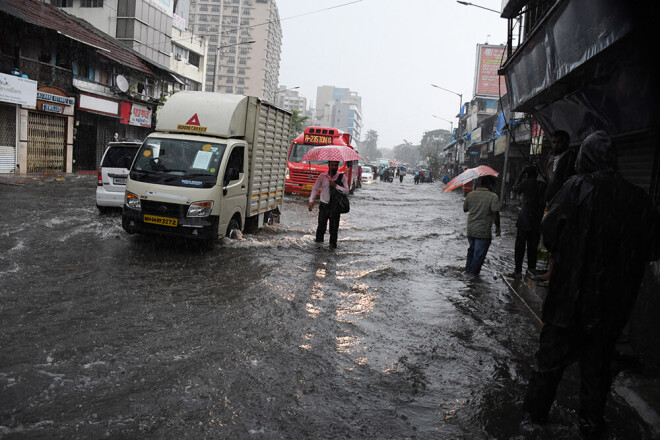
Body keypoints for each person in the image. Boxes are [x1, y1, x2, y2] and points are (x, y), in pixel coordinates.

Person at [522, 131, 660, 438]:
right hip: (611, 309)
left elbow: (549, 231)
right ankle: (590, 426)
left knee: (548, 366)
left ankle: (532, 422)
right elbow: (652, 249)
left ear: (584, 157)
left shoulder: (577, 186)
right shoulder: (640, 199)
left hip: (568, 303)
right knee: (596, 372)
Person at [507, 165, 546, 279]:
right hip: (537, 221)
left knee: (520, 247)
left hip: (524, 220)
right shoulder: (543, 185)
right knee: (533, 248)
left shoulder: (525, 183)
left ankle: (518, 271)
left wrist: (520, 175)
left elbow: (515, 188)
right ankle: (531, 272)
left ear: (526, 174)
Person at [463, 175, 501, 275]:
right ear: (489, 185)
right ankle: (472, 278)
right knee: (478, 256)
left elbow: (465, 209)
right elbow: (495, 214)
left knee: (471, 252)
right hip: (483, 231)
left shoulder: (470, 194)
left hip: (470, 230)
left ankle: (468, 273)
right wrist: (498, 227)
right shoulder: (493, 196)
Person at [308, 161, 349, 249]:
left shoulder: (342, 177)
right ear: (328, 165)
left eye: (336, 165)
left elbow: (346, 191)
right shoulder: (322, 177)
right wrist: (311, 200)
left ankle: (332, 249)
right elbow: (315, 189)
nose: (334, 167)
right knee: (321, 229)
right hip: (324, 206)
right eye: (333, 165)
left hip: (335, 207)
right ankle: (318, 248)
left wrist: (336, 185)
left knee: (333, 231)